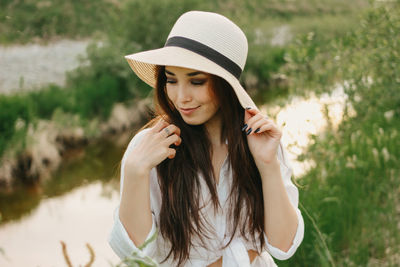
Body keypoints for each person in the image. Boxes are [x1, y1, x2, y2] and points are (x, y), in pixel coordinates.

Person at [108, 11, 304, 267]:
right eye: (171, 80)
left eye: (196, 81)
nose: (181, 97)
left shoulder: (260, 141)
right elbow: (135, 255)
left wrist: (268, 166)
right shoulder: (151, 146)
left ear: (226, 85)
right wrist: (135, 171)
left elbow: (283, 245)